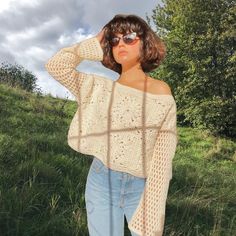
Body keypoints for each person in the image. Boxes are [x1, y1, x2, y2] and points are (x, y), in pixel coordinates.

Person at [45, 14, 178, 236]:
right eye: (114, 40)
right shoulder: (97, 87)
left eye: (129, 37)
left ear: (145, 42)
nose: (120, 44)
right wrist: (96, 42)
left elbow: (164, 152)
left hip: (143, 185)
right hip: (101, 180)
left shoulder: (161, 91)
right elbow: (56, 66)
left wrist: (154, 203)